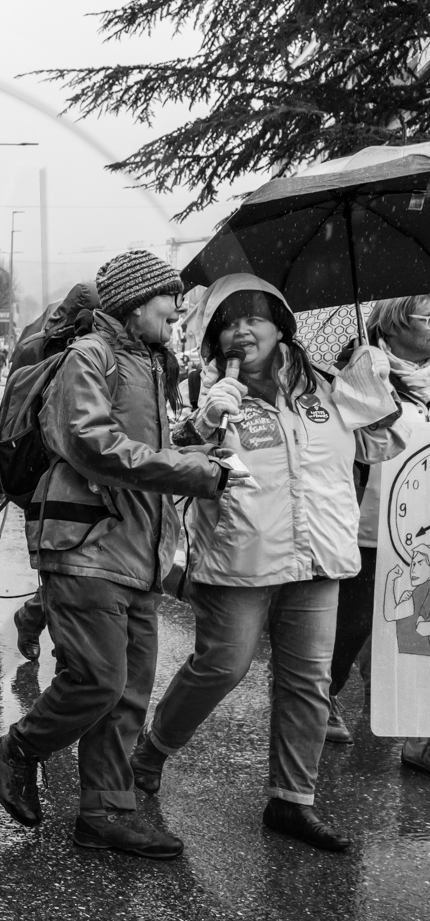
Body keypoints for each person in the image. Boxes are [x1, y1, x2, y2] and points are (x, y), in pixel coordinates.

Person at [132, 274, 403, 853]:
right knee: (221, 667)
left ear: (281, 324)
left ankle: (291, 802)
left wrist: (375, 386)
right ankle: (150, 753)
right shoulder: (210, 393)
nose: (240, 330)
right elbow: (169, 459)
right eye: (228, 322)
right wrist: (203, 424)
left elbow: (376, 447)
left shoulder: (326, 388)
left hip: (318, 556)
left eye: (253, 317)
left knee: (307, 682)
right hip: (242, 556)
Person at [0, 250, 242, 858]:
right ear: (133, 302)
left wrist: (199, 431)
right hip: (86, 545)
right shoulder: (89, 356)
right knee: (98, 680)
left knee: (128, 692)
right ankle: (18, 747)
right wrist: (197, 473)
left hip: (138, 552)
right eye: (168, 301)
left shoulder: (153, 365)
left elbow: (146, 447)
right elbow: (93, 444)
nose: (178, 312)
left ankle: (105, 811)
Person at [327, 295, 430, 770]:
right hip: (368, 523)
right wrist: (370, 387)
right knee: (351, 623)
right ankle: (321, 693)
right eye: (427, 317)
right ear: (394, 321)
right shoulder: (356, 369)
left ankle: (418, 731)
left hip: (421, 526)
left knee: (416, 631)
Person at [8, 281, 101, 665]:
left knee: (83, 573)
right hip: (49, 472)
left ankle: (35, 619)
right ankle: (69, 666)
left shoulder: (108, 350)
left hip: (91, 472)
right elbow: (17, 413)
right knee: (67, 571)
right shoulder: (35, 349)